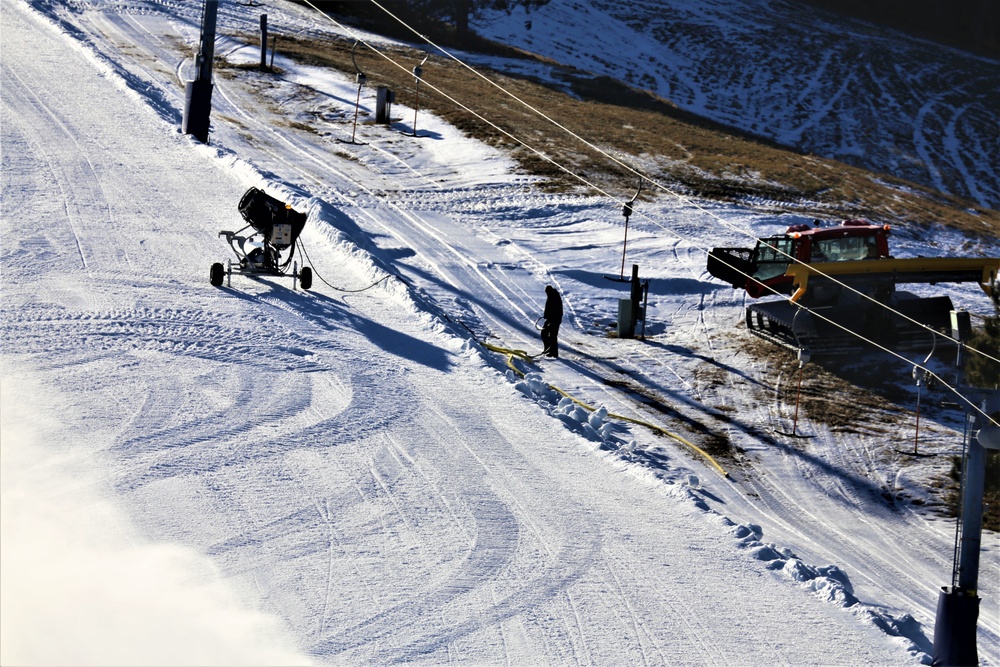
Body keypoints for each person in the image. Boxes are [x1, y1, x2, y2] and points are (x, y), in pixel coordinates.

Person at [541, 285, 563, 358]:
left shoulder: (554, 297)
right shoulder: (551, 296)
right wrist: (546, 315)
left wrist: (550, 317)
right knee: (544, 333)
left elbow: (556, 311)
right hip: (550, 319)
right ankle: (549, 350)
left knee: (552, 336)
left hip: (555, 320)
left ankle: (553, 352)